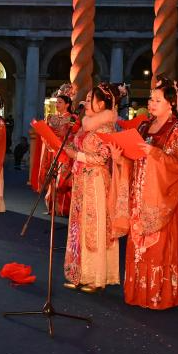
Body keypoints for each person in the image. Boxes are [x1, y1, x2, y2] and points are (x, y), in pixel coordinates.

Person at [120, 79, 178, 309]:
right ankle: (138, 292)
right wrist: (119, 154)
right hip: (139, 194)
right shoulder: (143, 126)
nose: (151, 103)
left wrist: (154, 154)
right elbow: (133, 156)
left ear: (171, 103)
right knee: (138, 245)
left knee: (159, 247)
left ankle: (159, 295)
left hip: (160, 197)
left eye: (157, 100)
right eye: (151, 99)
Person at [63, 84, 125, 293]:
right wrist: (68, 147)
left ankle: (95, 276)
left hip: (96, 181)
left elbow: (102, 157)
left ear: (101, 104)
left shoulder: (107, 128)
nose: (86, 102)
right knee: (78, 224)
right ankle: (78, 272)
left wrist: (77, 155)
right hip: (82, 179)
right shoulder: (86, 125)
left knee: (94, 226)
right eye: (87, 98)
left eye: (90, 99)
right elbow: (76, 145)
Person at [33, 89, 76, 217]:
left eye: (60, 102)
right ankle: (52, 206)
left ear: (67, 104)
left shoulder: (73, 119)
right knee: (52, 177)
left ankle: (64, 208)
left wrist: (62, 138)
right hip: (52, 151)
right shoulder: (50, 117)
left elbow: (75, 136)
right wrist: (48, 137)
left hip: (65, 153)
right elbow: (44, 133)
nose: (57, 104)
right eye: (56, 102)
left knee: (62, 180)